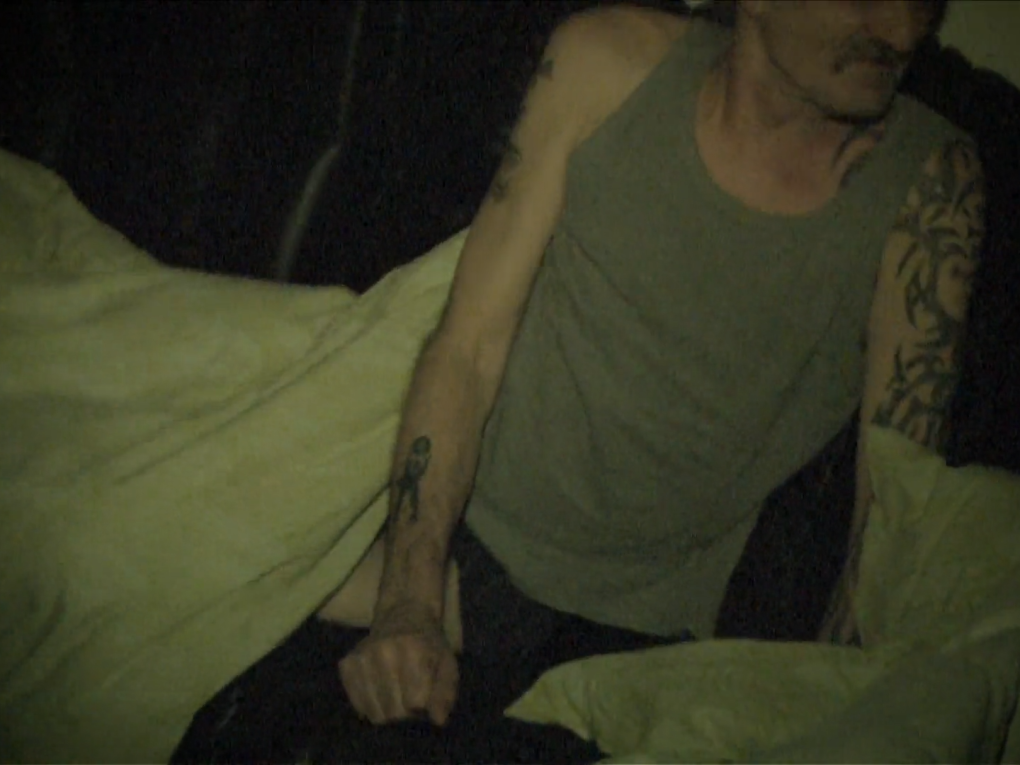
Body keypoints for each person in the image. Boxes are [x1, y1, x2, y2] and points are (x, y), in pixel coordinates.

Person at [326, 0, 983, 742]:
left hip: (638, 635)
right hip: (450, 531)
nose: (901, 31)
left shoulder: (931, 186)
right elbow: (468, 347)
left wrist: (831, 714)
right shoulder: (606, 60)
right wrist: (407, 603)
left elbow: (892, 506)